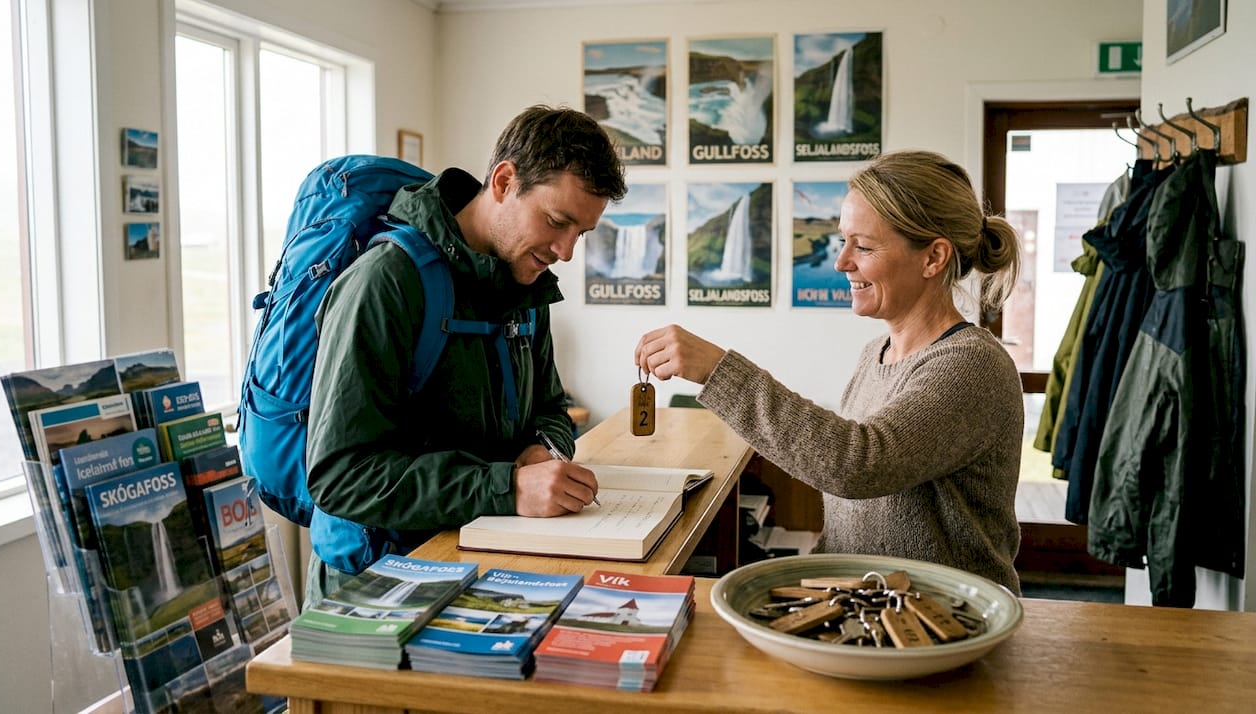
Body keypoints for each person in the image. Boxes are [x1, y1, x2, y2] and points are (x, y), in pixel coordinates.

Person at [634, 150, 1024, 593]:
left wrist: (718, 371)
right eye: (842, 241)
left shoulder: (972, 367)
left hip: (945, 624)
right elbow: (853, 520)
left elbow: (856, 465)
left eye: (864, 245)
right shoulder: (875, 353)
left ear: (933, 257)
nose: (841, 262)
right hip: (868, 610)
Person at [304, 105, 627, 604]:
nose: (566, 252)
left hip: (485, 566)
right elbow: (341, 477)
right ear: (503, 182)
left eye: (580, 234)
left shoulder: (527, 283)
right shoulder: (386, 281)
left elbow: (550, 406)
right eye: (557, 222)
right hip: (376, 587)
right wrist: (508, 489)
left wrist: (545, 448)